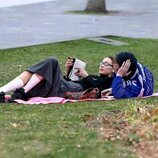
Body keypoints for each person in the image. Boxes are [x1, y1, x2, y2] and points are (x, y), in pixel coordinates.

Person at [0, 56, 113, 103]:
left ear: (113, 69)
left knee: (52, 62)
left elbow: (98, 89)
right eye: (101, 62)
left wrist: (86, 76)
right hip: (64, 86)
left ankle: (21, 92)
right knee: (36, 71)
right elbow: (70, 82)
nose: (102, 65)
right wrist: (69, 70)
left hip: (65, 89)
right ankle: (2, 91)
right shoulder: (95, 76)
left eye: (106, 64)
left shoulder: (108, 81)